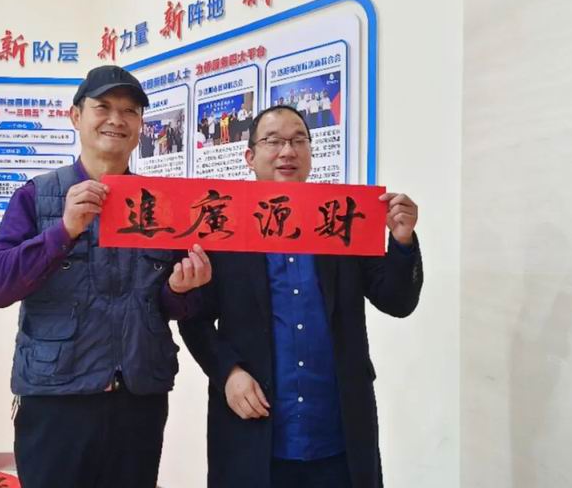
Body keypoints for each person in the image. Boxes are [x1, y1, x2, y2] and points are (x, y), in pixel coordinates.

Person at [0, 65, 212, 488]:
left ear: (140, 127)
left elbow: (172, 306)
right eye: (103, 107)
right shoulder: (37, 196)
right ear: (76, 116)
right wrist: (62, 231)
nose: (116, 119)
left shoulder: (163, 204)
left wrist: (180, 290)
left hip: (138, 399)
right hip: (55, 399)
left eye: (129, 111)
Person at [179, 105, 423, 488]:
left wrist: (403, 241)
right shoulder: (222, 228)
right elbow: (193, 318)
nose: (287, 151)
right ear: (250, 156)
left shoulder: (340, 219)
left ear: (310, 153)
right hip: (254, 433)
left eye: (298, 141)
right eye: (273, 141)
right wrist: (228, 372)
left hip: (337, 433)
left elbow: (397, 301)